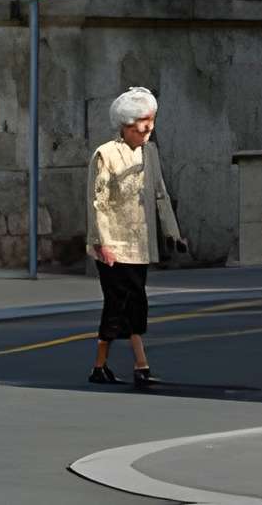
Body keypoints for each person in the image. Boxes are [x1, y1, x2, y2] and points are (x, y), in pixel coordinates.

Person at [87, 85, 181, 389]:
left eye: (151, 123)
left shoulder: (149, 153)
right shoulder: (106, 155)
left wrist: (172, 233)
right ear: (127, 126)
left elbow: (160, 194)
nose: (148, 131)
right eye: (143, 125)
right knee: (120, 303)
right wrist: (102, 243)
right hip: (112, 245)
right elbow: (98, 202)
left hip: (139, 245)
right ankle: (136, 365)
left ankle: (110, 366)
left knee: (134, 303)